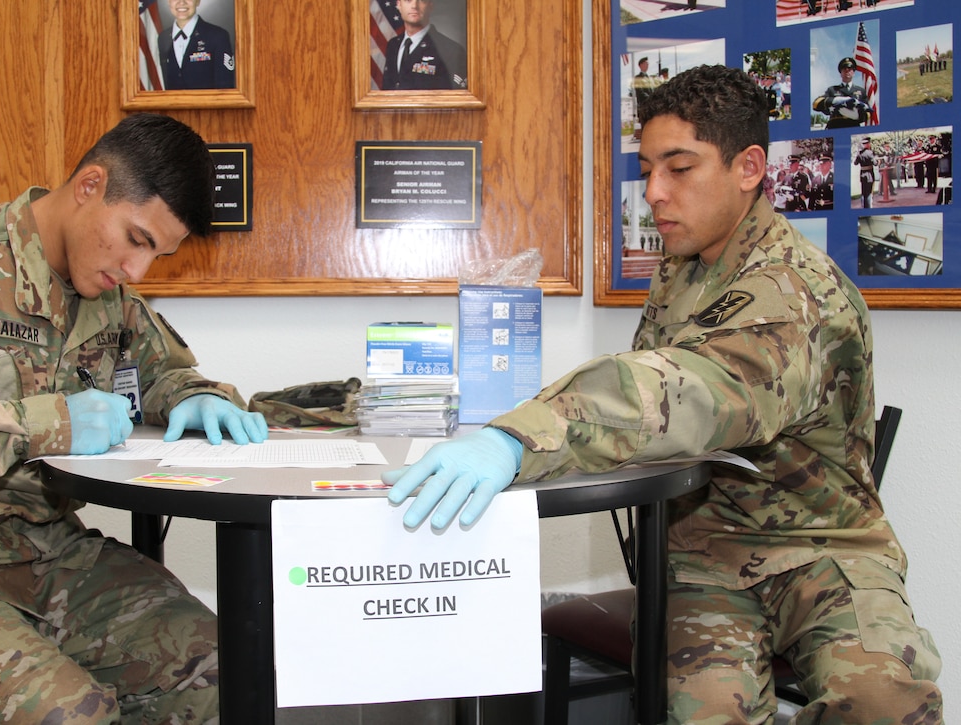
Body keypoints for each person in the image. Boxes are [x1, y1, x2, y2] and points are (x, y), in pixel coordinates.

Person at [384, 64, 942, 724]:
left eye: (679, 167)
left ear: (749, 167)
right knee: (706, 712)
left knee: (884, 698)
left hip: (824, 549)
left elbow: (684, 393)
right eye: (647, 167)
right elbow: (649, 374)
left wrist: (521, 434)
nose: (653, 192)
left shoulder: (797, 294)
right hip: (701, 549)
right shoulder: (683, 267)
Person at [0, 113, 268, 722]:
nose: (139, 271)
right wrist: (45, 423)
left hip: (47, 555)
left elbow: (160, 369)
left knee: (229, 674)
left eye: (158, 254)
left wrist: (193, 395)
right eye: (136, 239)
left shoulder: (109, 293)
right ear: (89, 186)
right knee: (70, 715)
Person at [381, 0, 467, 91]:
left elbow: (457, 97)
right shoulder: (393, 45)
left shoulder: (450, 50)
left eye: (421, 1)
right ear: (398, 5)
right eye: (408, 0)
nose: (414, 6)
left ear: (430, 6)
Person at [158, 0, 235, 90]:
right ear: (169, 2)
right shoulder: (163, 38)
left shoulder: (217, 36)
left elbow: (225, 87)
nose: (182, 2)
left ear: (198, 1)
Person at [813, 57, 870, 129]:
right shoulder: (832, 89)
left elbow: (868, 112)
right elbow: (816, 104)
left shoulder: (861, 91)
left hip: (854, 126)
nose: (847, 70)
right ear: (841, 73)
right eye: (844, 69)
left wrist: (857, 116)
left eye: (850, 69)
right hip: (835, 126)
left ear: (853, 72)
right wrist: (835, 100)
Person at [855, 136, 876, 208]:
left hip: (862, 174)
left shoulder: (859, 153)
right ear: (868, 144)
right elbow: (875, 163)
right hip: (869, 174)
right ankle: (868, 208)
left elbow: (855, 163)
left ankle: (863, 207)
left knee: (863, 193)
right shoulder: (870, 153)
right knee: (869, 193)